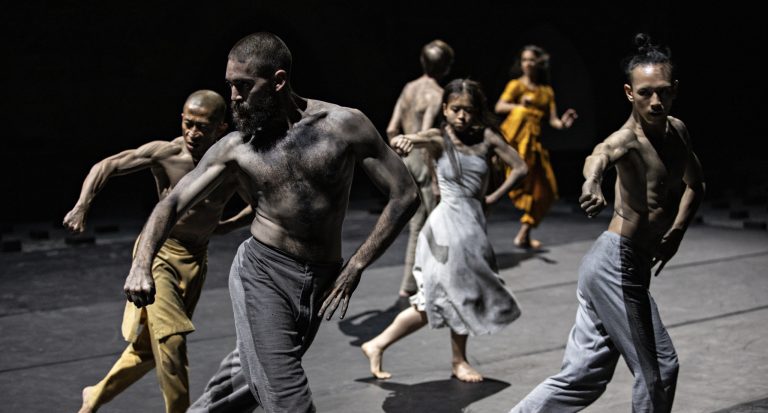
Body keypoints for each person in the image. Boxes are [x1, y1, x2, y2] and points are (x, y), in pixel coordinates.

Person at [123, 32, 419, 413]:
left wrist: (358, 264)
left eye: (244, 86)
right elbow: (173, 202)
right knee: (287, 395)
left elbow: (405, 193)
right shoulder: (236, 147)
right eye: (230, 85)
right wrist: (140, 264)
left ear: (278, 81)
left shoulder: (345, 126)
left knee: (243, 383)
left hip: (321, 278)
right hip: (263, 274)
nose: (233, 97)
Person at [510, 33, 705, 412]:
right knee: (660, 369)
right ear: (630, 93)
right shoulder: (627, 139)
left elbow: (696, 185)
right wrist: (592, 181)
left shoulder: (678, 132)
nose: (655, 101)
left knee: (583, 377)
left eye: (663, 92)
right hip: (617, 263)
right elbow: (599, 155)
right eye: (646, 92)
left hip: (619, 266)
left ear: (675, 90)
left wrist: (677, 232)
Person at [64, 90, 253, 413]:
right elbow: (107, 165)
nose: (193, 134)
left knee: (152, 349)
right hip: (159, 253)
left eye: (202, 127)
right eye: (188, 124)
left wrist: (225, 226)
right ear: (181, 120)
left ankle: (93, 396)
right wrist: (82, 205)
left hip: (195, 258)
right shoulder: (168, 154)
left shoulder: (231, 164)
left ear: (220, 127)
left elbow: (260, 203)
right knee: (173, 341)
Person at [362, 78, 528, 383]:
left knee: (435, 302)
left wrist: (492, 197)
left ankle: (376, 344)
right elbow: (420, 137)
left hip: (472, 226)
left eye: (468, 110)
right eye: (456, 109)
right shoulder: (441, 138)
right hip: (446, 230)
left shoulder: (487, 138)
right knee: (456, 296)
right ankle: (458, 361)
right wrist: (406, 139)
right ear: (445, 109)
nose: (462, 116)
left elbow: (520, 168)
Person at [387, 39, 454, 299]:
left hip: (404, 154)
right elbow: (426, 138)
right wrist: (435, 178)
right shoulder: (438, 95)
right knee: (424, 222)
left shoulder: (409, 88)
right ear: (446, 66)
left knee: (418, 220)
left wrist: (400, 155)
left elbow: (393, 128)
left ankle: (416, 281)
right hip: (422, 159)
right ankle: (412, 284)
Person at [494, 45, 578, 249]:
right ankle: (507, 160)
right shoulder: (516, 85)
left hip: (534, 146)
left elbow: (553, 121)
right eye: (524, 60)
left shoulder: (546, 91)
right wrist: (520, 105)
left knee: (546, 191)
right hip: (516, 141)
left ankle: (524, 233)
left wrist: (564, 123)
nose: (527, 64)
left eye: (531, 60)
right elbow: (499, 106)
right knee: (521, 115)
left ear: (539, 63)